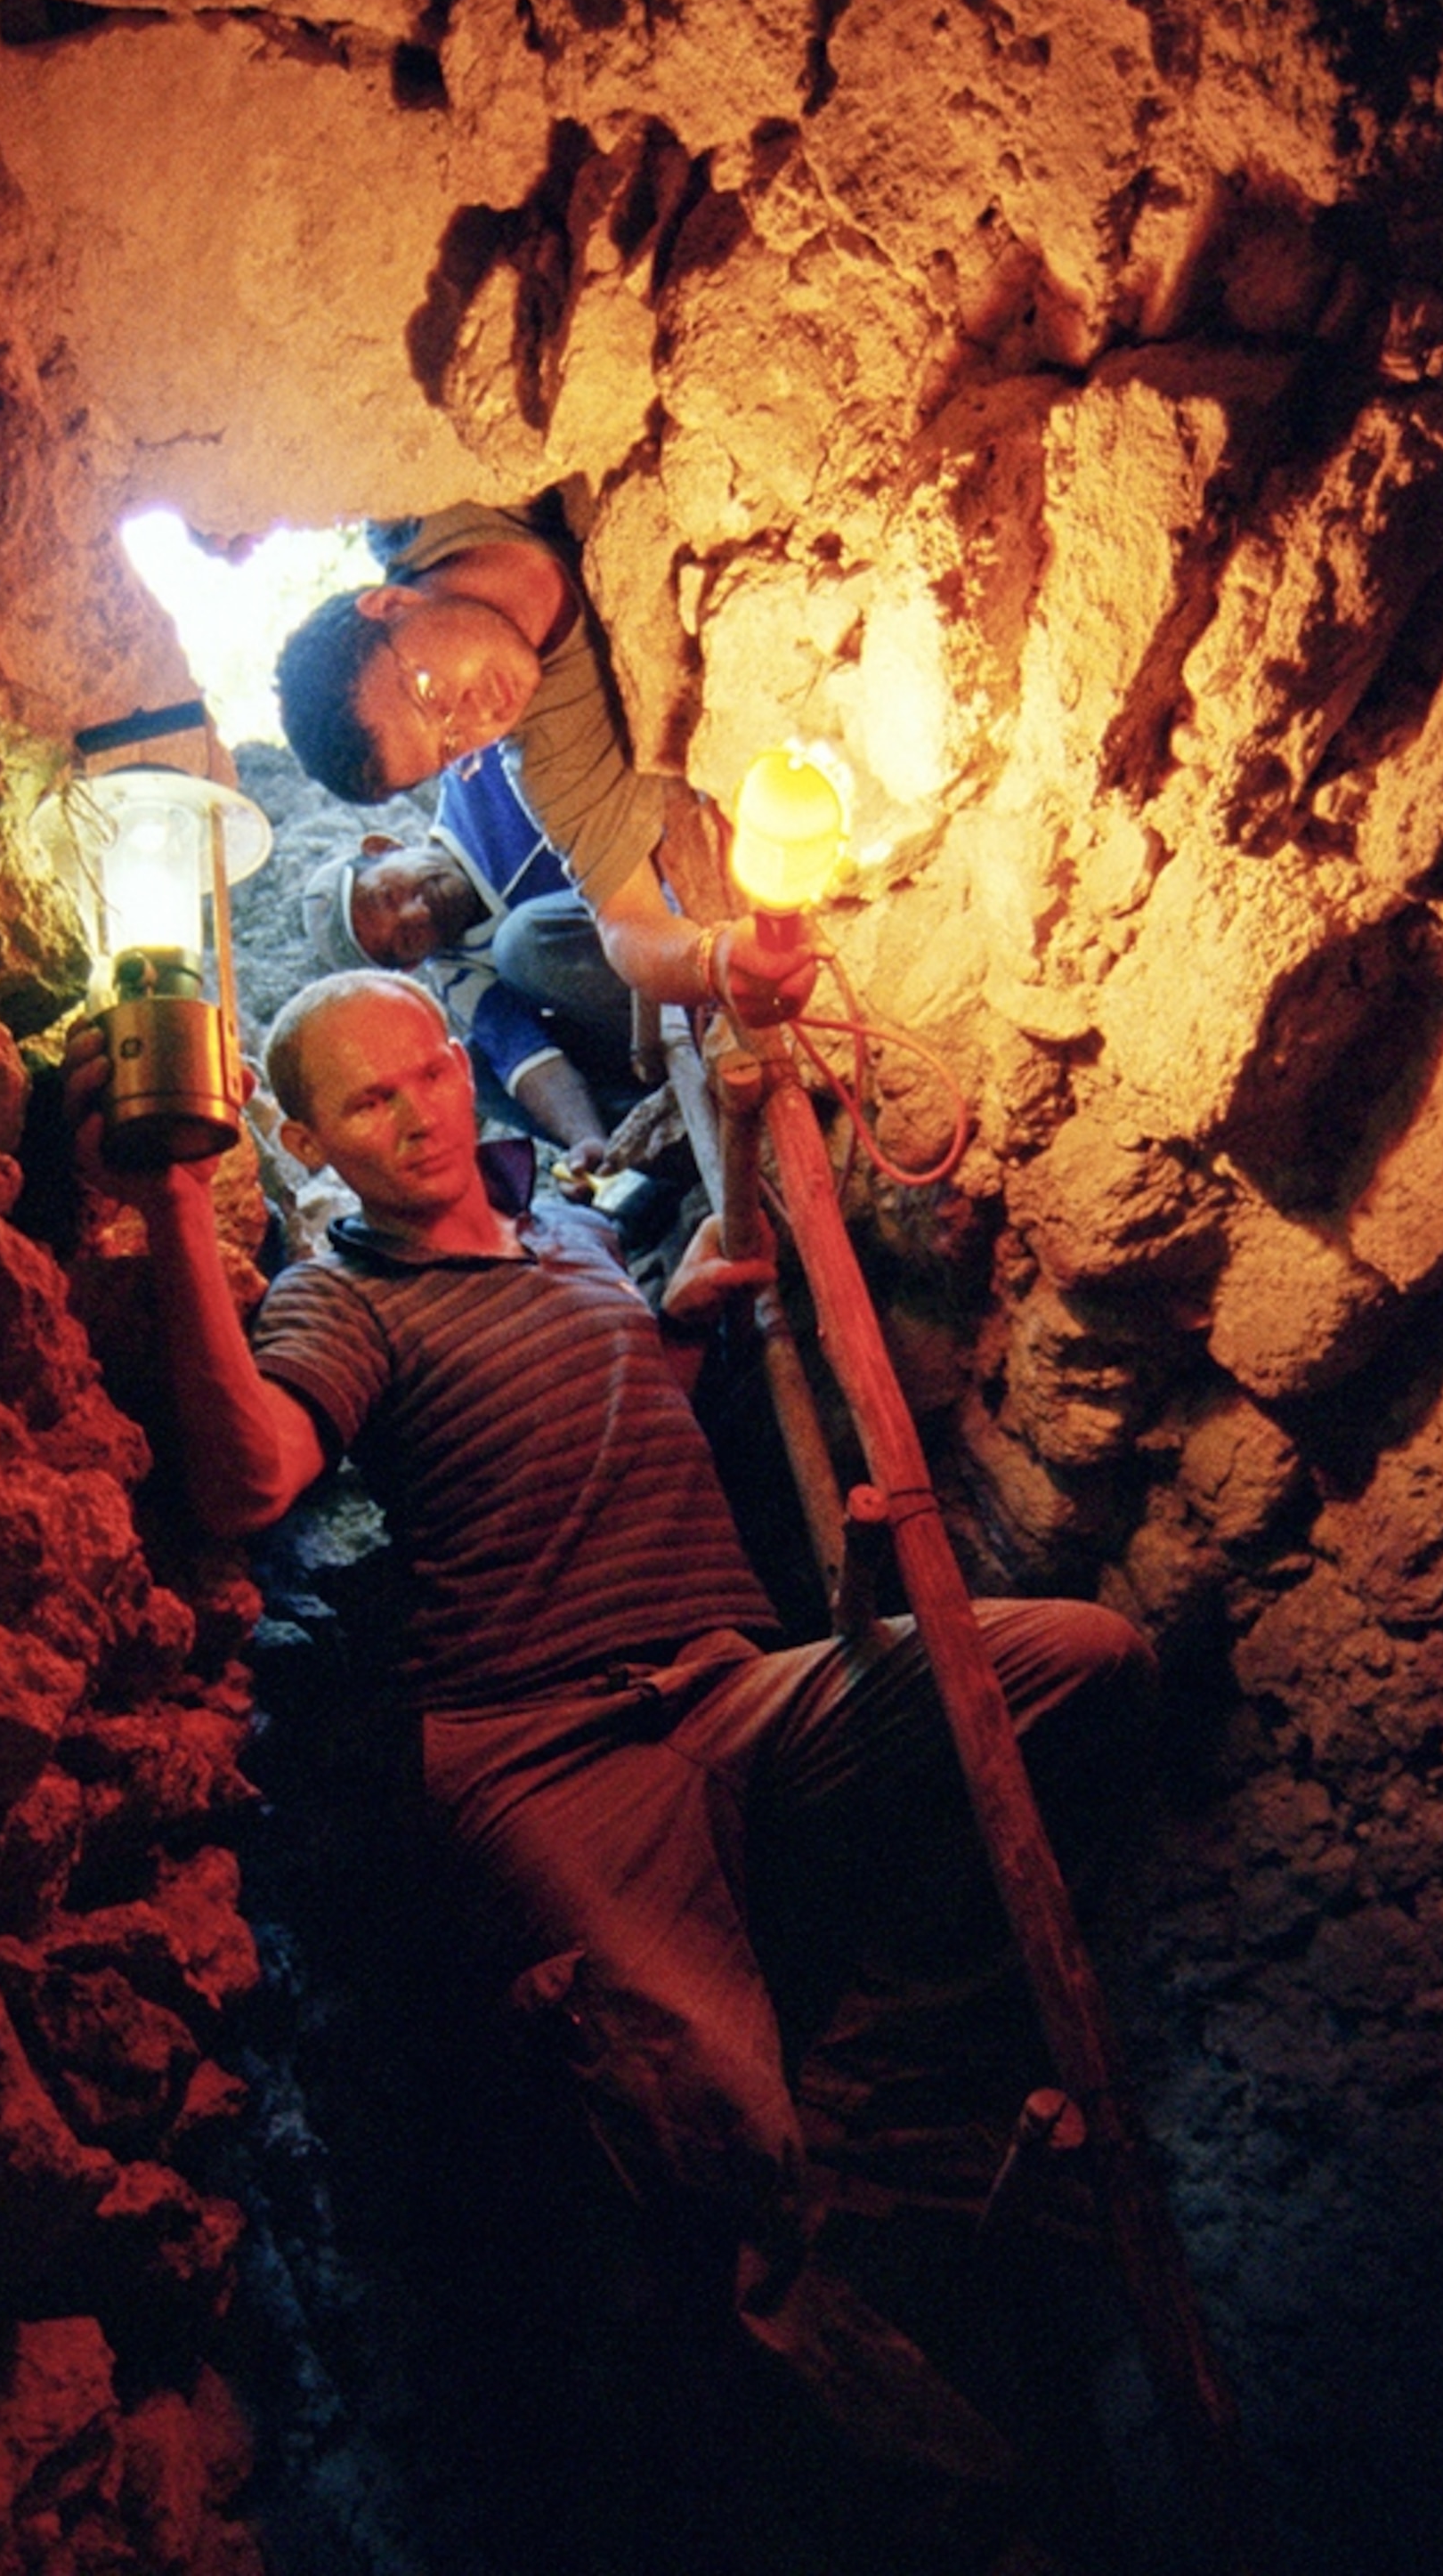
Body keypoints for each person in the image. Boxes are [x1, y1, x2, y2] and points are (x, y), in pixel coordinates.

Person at [67, 969, 1154, 2487]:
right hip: (538, 1756)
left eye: (425, 1074)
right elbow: (249, 1481)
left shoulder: (570, 1238)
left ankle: (861, 2079)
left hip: (730, 1681)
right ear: (307, 1142)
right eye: (364, 1103)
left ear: (460, 1068)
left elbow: (585, 1411)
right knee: (722, 2163)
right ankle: (976, 2520)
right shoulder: (344, 1295)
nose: (413, 1116)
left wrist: (680, 1330)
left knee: (1082, 1666)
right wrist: (179, 1207)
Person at [274, 500, 816, 1035]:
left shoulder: (430, 498)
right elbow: (629, 925)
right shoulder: (551, 747)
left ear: (391, 604)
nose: (476, 718)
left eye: (429, 693)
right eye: (451, 746)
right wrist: (713, 960)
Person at [300, 740, 639, 1174]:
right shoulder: (460, 975)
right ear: (409, 966)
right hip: (637, 1013)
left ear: (383, 846)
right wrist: (584, 1137)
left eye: (389, 893)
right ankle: (643, 1152)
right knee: (475, 1069)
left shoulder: (474, 776)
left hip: (672, 893)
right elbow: (530, 1058)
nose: (417, 911)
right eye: (406, 938)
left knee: (521, 944)